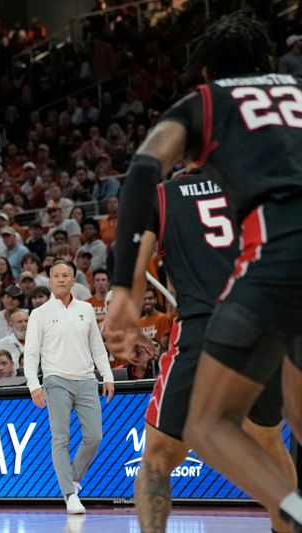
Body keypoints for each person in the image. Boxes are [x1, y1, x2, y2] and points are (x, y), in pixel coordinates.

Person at [105, 12, 302, 530]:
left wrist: (123, 289)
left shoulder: (205, 115)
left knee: (194, 434)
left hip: (239, 304)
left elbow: (144, 169)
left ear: (208, 71)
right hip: (276, 312)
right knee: (277, 434)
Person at [121, 169, 296, 533]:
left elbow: (133, 266)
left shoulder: (163, 195)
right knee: (267, 440)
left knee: (156, 458)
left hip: (204, 329)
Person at [24, 260, 114, 514]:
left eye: (66, 275)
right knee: (60, 439)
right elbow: (31, 355)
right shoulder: (39, 314)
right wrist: (34, 385)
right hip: (55, 380)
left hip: (87, 380)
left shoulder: (86, 309)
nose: (61, 279)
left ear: (74, 280)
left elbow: (97, 347)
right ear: (50, 281)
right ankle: (69, 494)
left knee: (94, 436)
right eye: (56, 276)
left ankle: (73, 478)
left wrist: (107, 376)